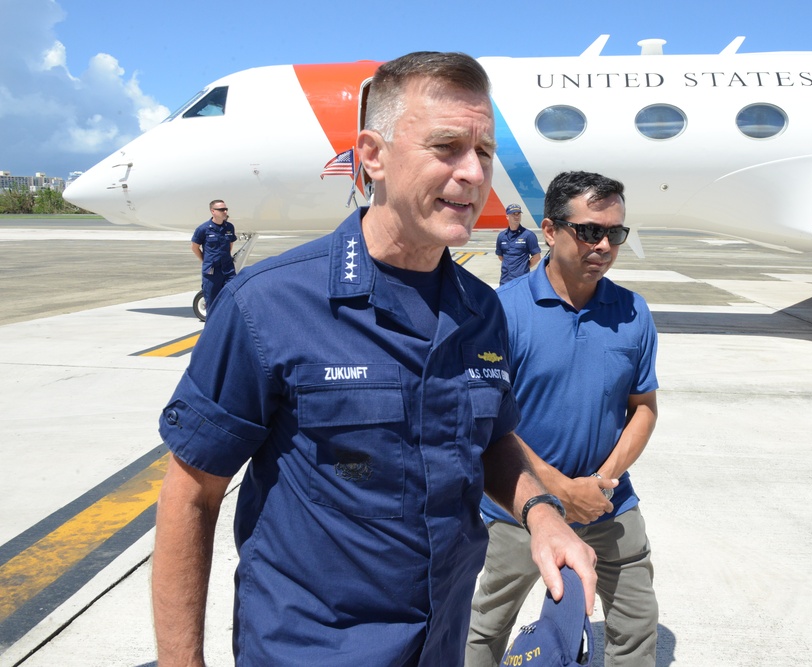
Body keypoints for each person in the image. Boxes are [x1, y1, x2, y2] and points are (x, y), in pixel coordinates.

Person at [152, 52, 596, 667]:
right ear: (372, 154)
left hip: (441, 645)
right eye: (447, 147)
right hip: (312, 651)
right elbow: (190, 495)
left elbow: (492, 441)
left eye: (486, 152)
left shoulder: (481, 311)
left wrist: (541, 512)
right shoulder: (270, 305)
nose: (473, 174)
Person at [466, 171, 660, 666]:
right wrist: (554, 490)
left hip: (609, 504)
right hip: (519, 510)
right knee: (485, 628)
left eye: (615, 233)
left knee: (636, 629)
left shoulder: (633, 312)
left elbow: (643, 409)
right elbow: (489, 420)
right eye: (590, 231)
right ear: (550, 230)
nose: (604, 245)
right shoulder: (502, 311)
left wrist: (600, 482)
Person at [190, 200, 237, 314]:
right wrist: (206, 261)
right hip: (212, 272)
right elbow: (195, 247)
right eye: (221, 210)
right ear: (213, 211)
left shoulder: (229, 227)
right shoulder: (203, 229)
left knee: (233, 297)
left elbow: (230, 245)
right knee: (212, 303)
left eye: (226, 209)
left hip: (228, 270)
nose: (225, 211)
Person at [495, 203, 541, 285]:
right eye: (513, 214)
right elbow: (501, 256)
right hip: (505, 280)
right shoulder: (501, 236)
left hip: (521, 281)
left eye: (518, 214)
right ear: (507, 217)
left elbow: (536, 257)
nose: (517, 217)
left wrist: (523, 268)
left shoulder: (529, 235)